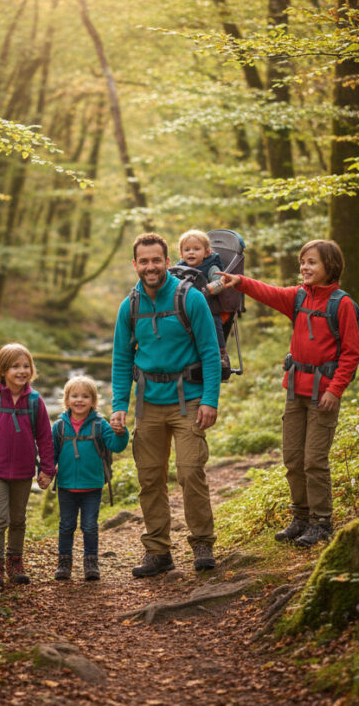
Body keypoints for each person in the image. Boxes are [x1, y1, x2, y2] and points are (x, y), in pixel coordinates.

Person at [220, 239, 359, 547]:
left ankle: (322, 522)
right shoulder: (297, 297)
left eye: (312, 262)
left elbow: (351, 354)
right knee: (293, 458)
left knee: (314, 460)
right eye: (303, 262)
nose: (305, 267)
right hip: (295, 391)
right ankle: (301, 517)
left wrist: (335, 390)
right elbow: (267, 292)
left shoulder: (342, 304)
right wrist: (239, 281)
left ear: (331, 267)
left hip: (323, 395)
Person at [110, 232, 221, 577]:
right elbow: (121, 359)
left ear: (166, 260)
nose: (150, 267)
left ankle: (202, 542)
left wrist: (210, 399)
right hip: (148, 405)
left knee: (190, 471)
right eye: (143, 261)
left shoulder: (190, 299)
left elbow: (210, 352)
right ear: (135, 265)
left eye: (156, 260)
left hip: (188, 400)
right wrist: (119, 404)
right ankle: (158, 552)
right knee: (150, 478)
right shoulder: (129, 306)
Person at [0, 343, 55, 590]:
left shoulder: (35, 401)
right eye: (15, 366)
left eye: (26, 366)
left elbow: (44, 438)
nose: (22, 371)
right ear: (3, 370)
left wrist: (47, 469)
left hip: (23, 472)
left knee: (18, 518)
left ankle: (15, 561)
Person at [51, 375, 130, 582]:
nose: (79, 400)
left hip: (92, 486)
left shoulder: (100, 424)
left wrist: (121, 433)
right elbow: (50, 453)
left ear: (93, 401)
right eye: (74, 396)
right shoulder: (59, 426)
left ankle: (90, 563)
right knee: (66, 525)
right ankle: (64, 564)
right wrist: (46, 471)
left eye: (85, 396)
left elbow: (116, 445)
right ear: (67, 400)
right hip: (66, 486)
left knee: (90, 526)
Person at [176, 229, 231, 374]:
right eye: (187, 250)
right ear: (181, 254)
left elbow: (221, 282)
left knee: (214, 323)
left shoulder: (211, 267)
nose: (191, 252)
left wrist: (208, 289)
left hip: (209, 306)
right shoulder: (180, 269)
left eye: (196, 249)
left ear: (206, 253)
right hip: (186, 309)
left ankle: (221, 355)